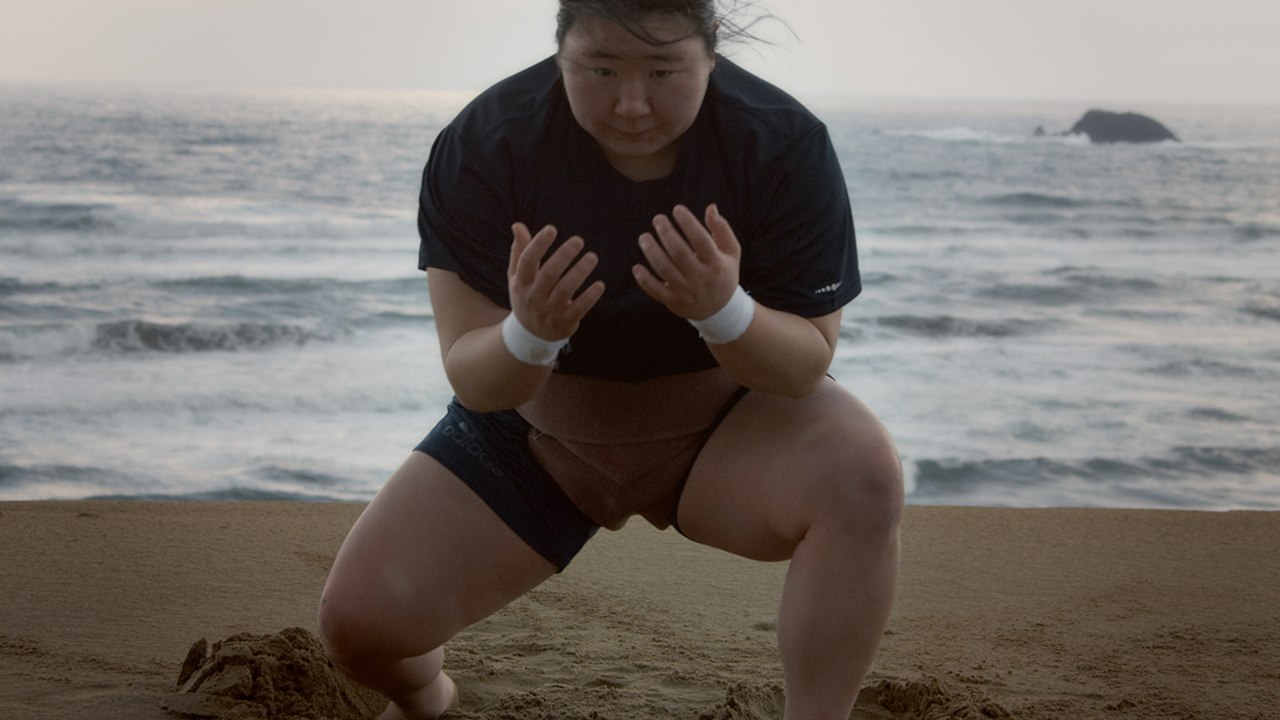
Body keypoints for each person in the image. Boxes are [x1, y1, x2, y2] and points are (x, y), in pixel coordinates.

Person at [317, 1, 903, 718]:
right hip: (537, 439)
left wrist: (724, 309)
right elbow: (472, 377)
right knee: (356, 629)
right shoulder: (487, 141)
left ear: (709, 55)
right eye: (598, 68)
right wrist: (529, 333)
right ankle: (426, 699)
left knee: (865, 474)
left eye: (663, 70)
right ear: (560, 50)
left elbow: (803, 364)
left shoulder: (781, 141)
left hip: (723, 433)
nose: (631, 103)